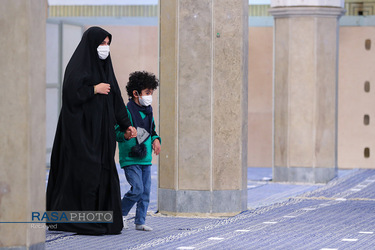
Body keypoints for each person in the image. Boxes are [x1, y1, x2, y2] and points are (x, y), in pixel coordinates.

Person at [46, 26, 137, 235]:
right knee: (84, 173)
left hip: (102, 135)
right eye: (101, 43)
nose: (105, 48)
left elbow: (115, 99)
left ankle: (103, 220)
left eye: (107, 44)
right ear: (91, 44)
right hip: (81, 134)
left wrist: (126, 125)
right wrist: (94, 89)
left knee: (102, 170)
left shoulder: (106, 68)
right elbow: (70, 93)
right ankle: (74, 219)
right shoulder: (78, 66)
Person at [115, 71, 161, 231]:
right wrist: (126, 135)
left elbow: (152, 131)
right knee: (137, 189)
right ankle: (120, 214)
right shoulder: (126, 112)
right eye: (147, 93)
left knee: (145, 191)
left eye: (151, 93)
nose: (150, 96)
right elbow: (116, 133)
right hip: (130, 158)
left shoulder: (149, 112)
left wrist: (156, 140)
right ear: (135, 93)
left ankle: (140, 221)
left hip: (145, 159)